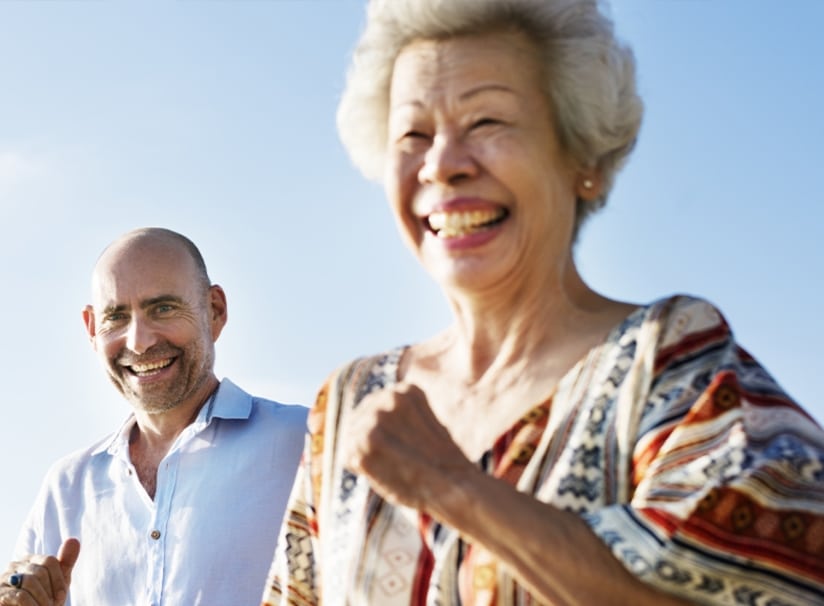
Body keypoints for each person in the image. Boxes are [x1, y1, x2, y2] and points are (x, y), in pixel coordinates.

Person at [260, 1, 824, 604]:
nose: (443, 165)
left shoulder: (669, 359)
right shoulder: (347, 402)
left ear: (585, 160)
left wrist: (453, 486)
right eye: (413, 135)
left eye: (487, 122)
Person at [1, 227, 307, 606]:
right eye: (116, 316)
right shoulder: (66, 487)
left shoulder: (306, 445)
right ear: (92, 329)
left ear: (215, 311)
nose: (139, 341)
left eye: (162, 308)